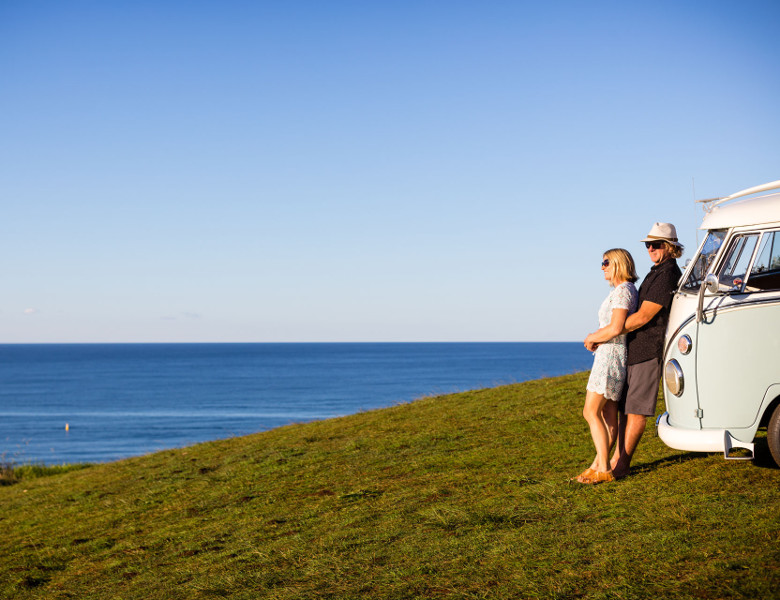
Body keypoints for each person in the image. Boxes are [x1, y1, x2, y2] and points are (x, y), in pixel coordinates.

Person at [610, 223, 684, 479]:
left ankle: (623, 464)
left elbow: (643, 316)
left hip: (648, 349)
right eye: (648, 245)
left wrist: (609, 331)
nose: (651, 249)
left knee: (636, 410)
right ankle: (616, 459)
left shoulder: (667, 274)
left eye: (657, 244)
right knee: (624, 409)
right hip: (635, 347)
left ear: (670, 247)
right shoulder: (656, 271)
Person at [575, 248, 639, 484]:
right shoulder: (623, 291)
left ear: (619, 264)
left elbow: (616, 327)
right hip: (612, 354)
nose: (602, 267)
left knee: (590, 412)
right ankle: (597, 465)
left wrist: (593, 336)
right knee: (608, 415)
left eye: (606, 262)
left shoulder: (623, 292)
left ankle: (603, 467)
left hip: (610, 356)